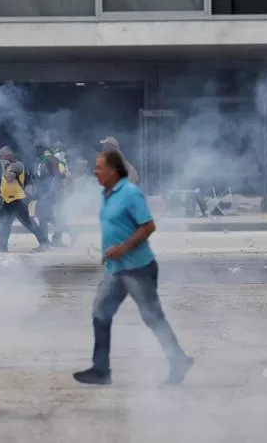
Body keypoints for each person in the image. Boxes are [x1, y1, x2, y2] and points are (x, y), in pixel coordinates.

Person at [73, 150, 193, 386]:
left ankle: (178, 359)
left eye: (99, 168)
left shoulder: (130, 193)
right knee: (100, 312)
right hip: (115, 268)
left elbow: (148, 226)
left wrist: (123, 248)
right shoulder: (106, 194)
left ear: (113, 171)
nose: (95, 172)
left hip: (137, 268)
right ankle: (101, 370)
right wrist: (109, 254)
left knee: (152, 317)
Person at [0, 146, 50, 253]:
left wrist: (3, 167)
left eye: (2, 155)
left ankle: (44, 243)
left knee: (28, 222)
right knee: (4, 223)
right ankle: (2, 246)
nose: (0, 157)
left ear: (9, 154)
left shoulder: (16, 165)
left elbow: (9, 179)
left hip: (17, 200)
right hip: (9, 201)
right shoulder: (9, 165)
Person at [34, 138, 70, 247]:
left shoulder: (50, 157)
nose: (36, 151)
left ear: (42, 148)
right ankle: (57, 238)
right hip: (47, 191)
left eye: (37, 148)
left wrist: (50, 191)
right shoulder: (44, 158)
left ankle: (46, 242)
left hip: (51, 192)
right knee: (47, 215)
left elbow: (59, 175)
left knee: (43, 215)